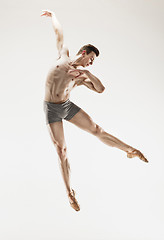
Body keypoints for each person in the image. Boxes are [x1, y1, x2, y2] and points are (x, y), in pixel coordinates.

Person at [41, 10, 148, 212]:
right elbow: (59, 33)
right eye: (91, 59)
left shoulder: (82, 76)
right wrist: (53, 16)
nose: (92, 62)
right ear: (83, 53)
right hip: (51, 109)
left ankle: (130, 150)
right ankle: (70, 193)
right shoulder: (62, 57)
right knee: (61, 151)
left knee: (97, 129)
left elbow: (101, 89)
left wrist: (87, 73)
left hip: (66, 105)